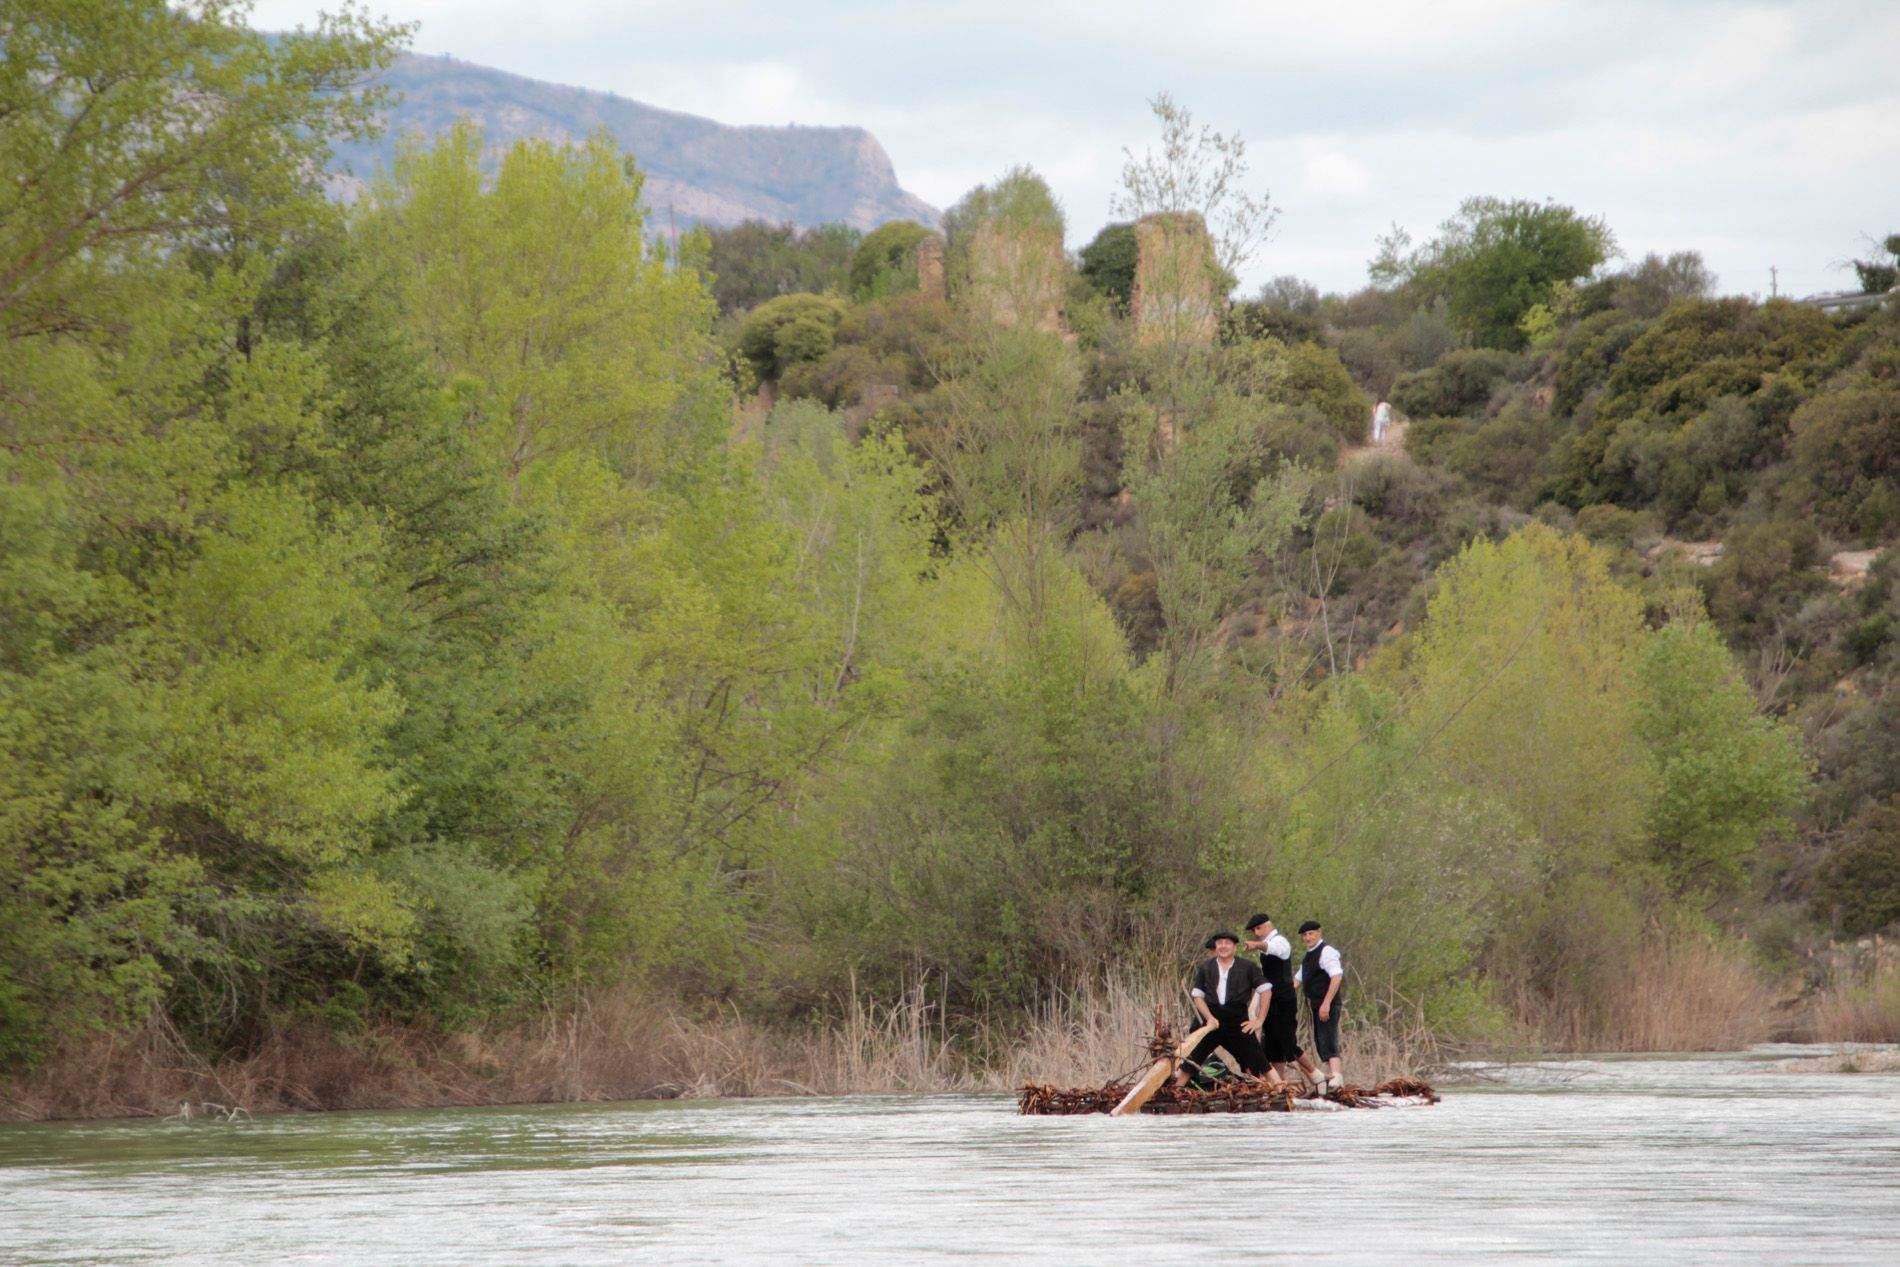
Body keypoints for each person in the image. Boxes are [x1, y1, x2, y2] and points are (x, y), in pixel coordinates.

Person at [1179, 932, 1272, 1084]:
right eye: (1219, 943)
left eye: (1227, 943)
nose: (1223, 946)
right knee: (1192, 1059)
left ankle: (1277, 1090)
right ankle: (1177, 1090)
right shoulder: (1206, 967)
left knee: (1256, 1058)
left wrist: (1260, 1020)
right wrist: (1209, 1018)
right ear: (1215, 946)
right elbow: (1197, 996)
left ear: (1234, 947)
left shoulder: (1247, 966)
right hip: (1212, 1020)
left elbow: (1266, 990)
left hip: (1237, 1020)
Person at [1243, 913, 1310, 1088]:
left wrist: (1255, 945)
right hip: (1272, 999)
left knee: (1288, 1042)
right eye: (1254, 931)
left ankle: (1317, 1077)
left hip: (1285, 999)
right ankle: (1278, 1083)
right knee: (1272, 1043)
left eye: (1258, 928)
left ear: (1267, 926)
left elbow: (1269, 948)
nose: (1256, 933)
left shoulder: (1281, 942)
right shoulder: (1265, 947)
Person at [1294, 919, 1346, 1091]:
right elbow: (1297, 980)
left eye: (1311, 934)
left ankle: (1337, 1078)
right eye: (1305, 935)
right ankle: (1330, 1078)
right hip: (1315, 1004)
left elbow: (1336, 976)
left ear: (1319, 933)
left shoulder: (1326, 951)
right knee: (1320, 1040)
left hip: (1327, 1003)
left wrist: (1326, 1003)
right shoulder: (1309, 956)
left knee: (1329, 1037)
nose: (1308, 938)